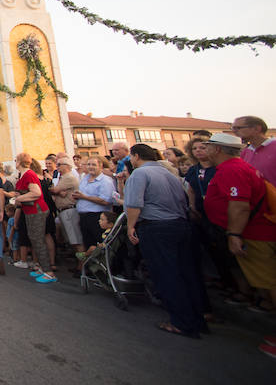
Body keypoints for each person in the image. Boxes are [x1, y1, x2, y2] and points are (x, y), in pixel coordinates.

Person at [125, 143, 204, 338]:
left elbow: (134, 204)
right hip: (180, 224)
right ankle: (197, 319)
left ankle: (182, 322)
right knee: (186, 274)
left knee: (167, 274)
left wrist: (130, 226)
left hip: (156, 227)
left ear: (135, 156)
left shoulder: (140, 174)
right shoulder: (169, 173)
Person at [204, 133, 276, 320]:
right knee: (265, 282)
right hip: (251, 231)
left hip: (253, 233)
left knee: (269, 282)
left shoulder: (232, 170)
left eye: (208, 146)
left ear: (217, 149)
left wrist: (234, 234)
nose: (205, 150)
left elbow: (240, 205)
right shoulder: (233, 167)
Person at [12, 153, 56, 283]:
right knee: (35, 239)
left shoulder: (29, 174)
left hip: (36, 210)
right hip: (30, 210)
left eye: (16, 160)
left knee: (38, 239)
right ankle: (43, 268)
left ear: (19, 162)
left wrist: (18, 198)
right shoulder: (25, 174)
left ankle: (49, 272)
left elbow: (36, 193)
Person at [49, 155, 83, 270]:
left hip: (69, 210)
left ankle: (81, 266)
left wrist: (55, 191)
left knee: (76, 240)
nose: (57, 167)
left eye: (59, 165)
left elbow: (54, 189)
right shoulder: (63, 178)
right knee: (71, 239)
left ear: (67, 166)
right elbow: (56, 190)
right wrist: (58, 192)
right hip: (64, 211)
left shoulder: (68, 177)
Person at [74, 157, 116, 248]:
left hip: (98, 217)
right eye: (88, 164)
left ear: (100, 166)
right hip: (84, 216)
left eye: (94, 165)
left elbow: (106, 200)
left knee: (100, 244)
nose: (90, 167)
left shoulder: (105, 181)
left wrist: (84, 197)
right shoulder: (85, 178)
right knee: (88, 244)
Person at [234, 116, 275, 184]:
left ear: (256, 129)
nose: (234, 131)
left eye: (238, 128)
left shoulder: (274, 147)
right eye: (233, 128)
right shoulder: (246, 152)